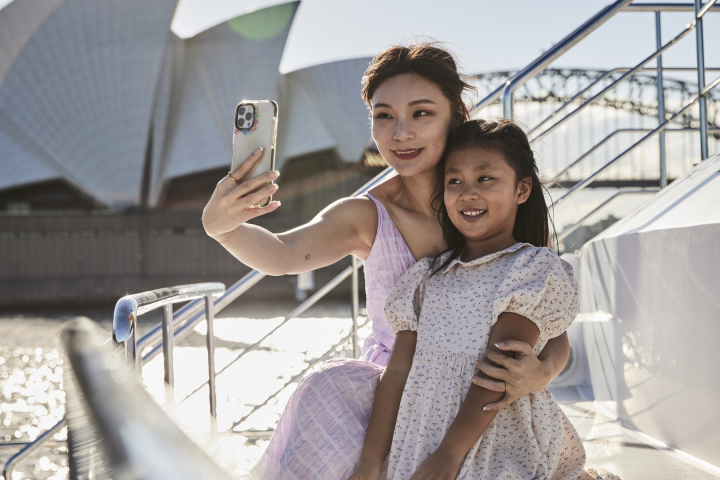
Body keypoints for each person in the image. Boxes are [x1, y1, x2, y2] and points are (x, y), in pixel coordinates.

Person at [201, 42, 572, 479]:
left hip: (480, 398)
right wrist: (221, 226)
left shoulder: (496, 210)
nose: (401, 133)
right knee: (325, 396)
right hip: (391, 393)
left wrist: (541, 372)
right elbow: (282, 254)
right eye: (384, 116)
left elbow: (552, 329)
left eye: (421, 113)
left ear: (455, 115)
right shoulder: (366, 214)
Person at [350, 119, 585, 480]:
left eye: (485, 179)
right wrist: (370, 460)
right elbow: (397, 372)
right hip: (423, 440)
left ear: (521, 190)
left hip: (494, 440)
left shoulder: (529, 269)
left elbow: (499, 369)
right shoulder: (427, 278)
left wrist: (449, 454)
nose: (467, 193)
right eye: (454, 181)